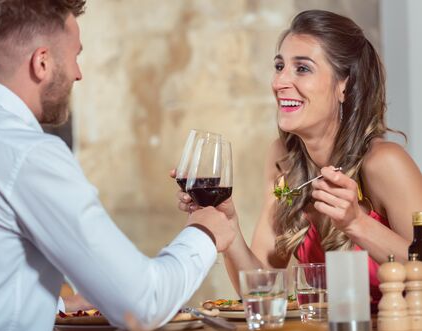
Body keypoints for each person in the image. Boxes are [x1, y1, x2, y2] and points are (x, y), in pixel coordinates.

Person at [0, 1, 237, 331]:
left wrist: (59, 306)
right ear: (42, 62)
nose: (78, 73)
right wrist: (205, 233)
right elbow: (142, 305)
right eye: (75, 55)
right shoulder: (29, 154)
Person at [177, 9, 422, 310]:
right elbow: (261, 287)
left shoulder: (384, 162)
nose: (280, 82)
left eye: (302, 69)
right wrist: (229, 229)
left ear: (344, 84)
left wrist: (357, 223)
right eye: (279, 66)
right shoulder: (283, 158)